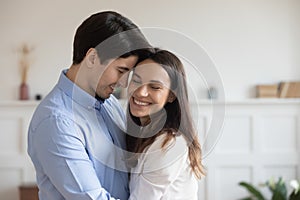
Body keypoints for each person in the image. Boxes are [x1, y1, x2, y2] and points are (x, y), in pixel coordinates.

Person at [27, 11, 153, 200]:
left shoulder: (110, 103)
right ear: (92, 57)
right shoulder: (56, 121)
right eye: (121, 70)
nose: (123, 83)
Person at [126, 49, 206, 200]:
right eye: (136, 80)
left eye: (155, 87)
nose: (141, 92)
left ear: (171, 95)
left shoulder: (168, 145)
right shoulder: (145, 136)